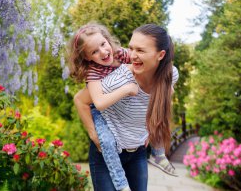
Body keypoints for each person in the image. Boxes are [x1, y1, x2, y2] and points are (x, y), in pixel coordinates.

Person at [74, 23, 178, 190]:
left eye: (140, 50)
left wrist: (148, 130)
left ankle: (158, 155)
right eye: (132, 49)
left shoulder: (166, 73)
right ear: (87, 57)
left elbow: (162, 99)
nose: (133, 55)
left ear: (160, 55)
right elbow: (82, 100)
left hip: (137, 151)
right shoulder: (110, 77)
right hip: (107, 146)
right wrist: (94, 134)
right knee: (106, 143)